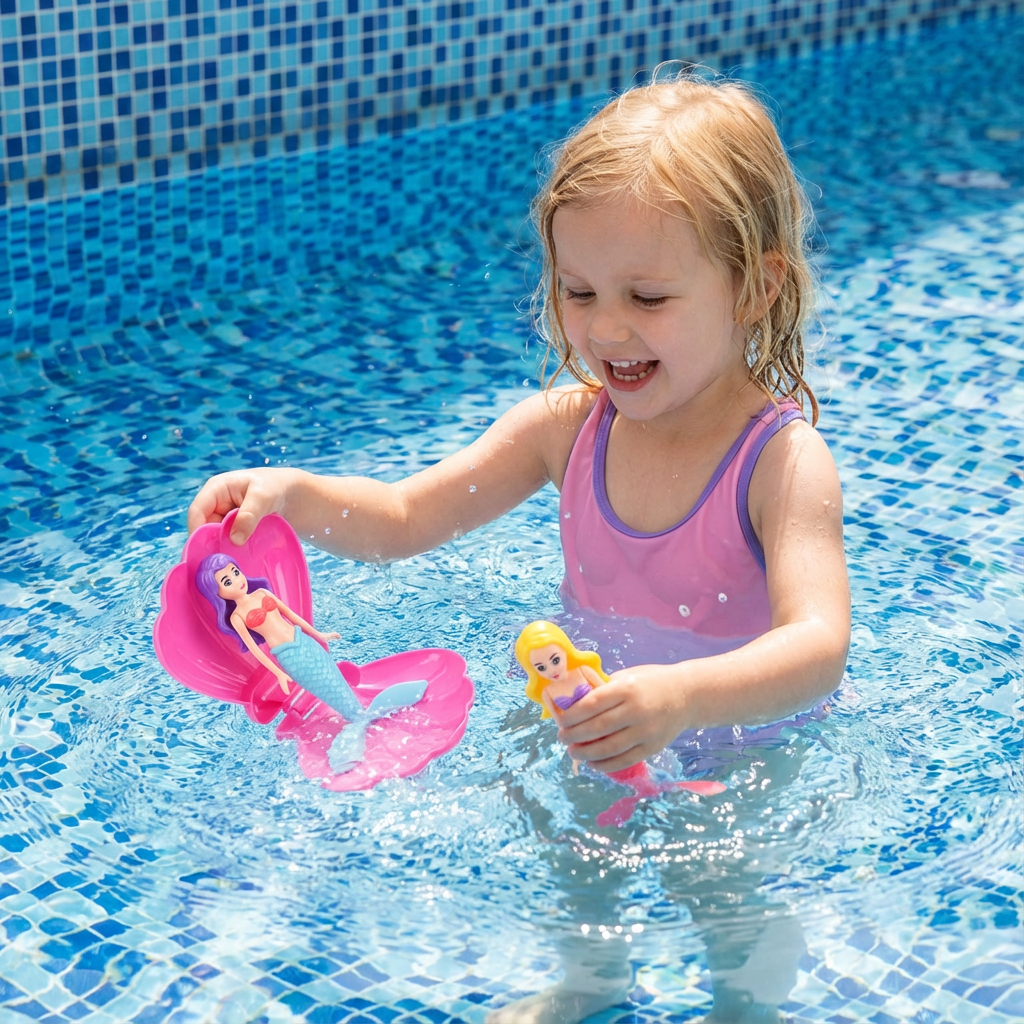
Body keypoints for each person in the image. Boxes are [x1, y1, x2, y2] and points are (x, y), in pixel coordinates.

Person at [188, 73, 850, 1024]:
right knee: (574, 855)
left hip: (740, 748)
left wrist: (682, 697)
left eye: (649, 296)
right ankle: (591, 982)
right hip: (587, 722)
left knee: (725, 901)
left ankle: (747, 1011)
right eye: (579, 291)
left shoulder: (780, 463)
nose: (607, 328)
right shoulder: (565, 428)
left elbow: (819, 644)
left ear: (757, 285)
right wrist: (290, 496)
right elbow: (407, 517)